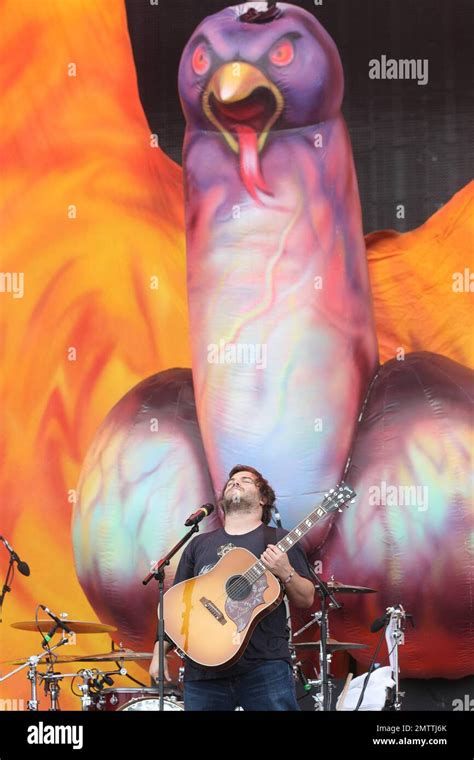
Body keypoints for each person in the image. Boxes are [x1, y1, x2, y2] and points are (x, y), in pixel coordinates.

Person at [149, 464, 315, 711]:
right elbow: (177, 606)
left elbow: (306, 598)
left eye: (246, 480)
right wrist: (158, 653)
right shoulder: (199, 544)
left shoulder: (279, 540)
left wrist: (285, 571)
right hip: (203, 670)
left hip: (265, 667)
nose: (235, 482)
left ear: (263, 499)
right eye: (231, 481)